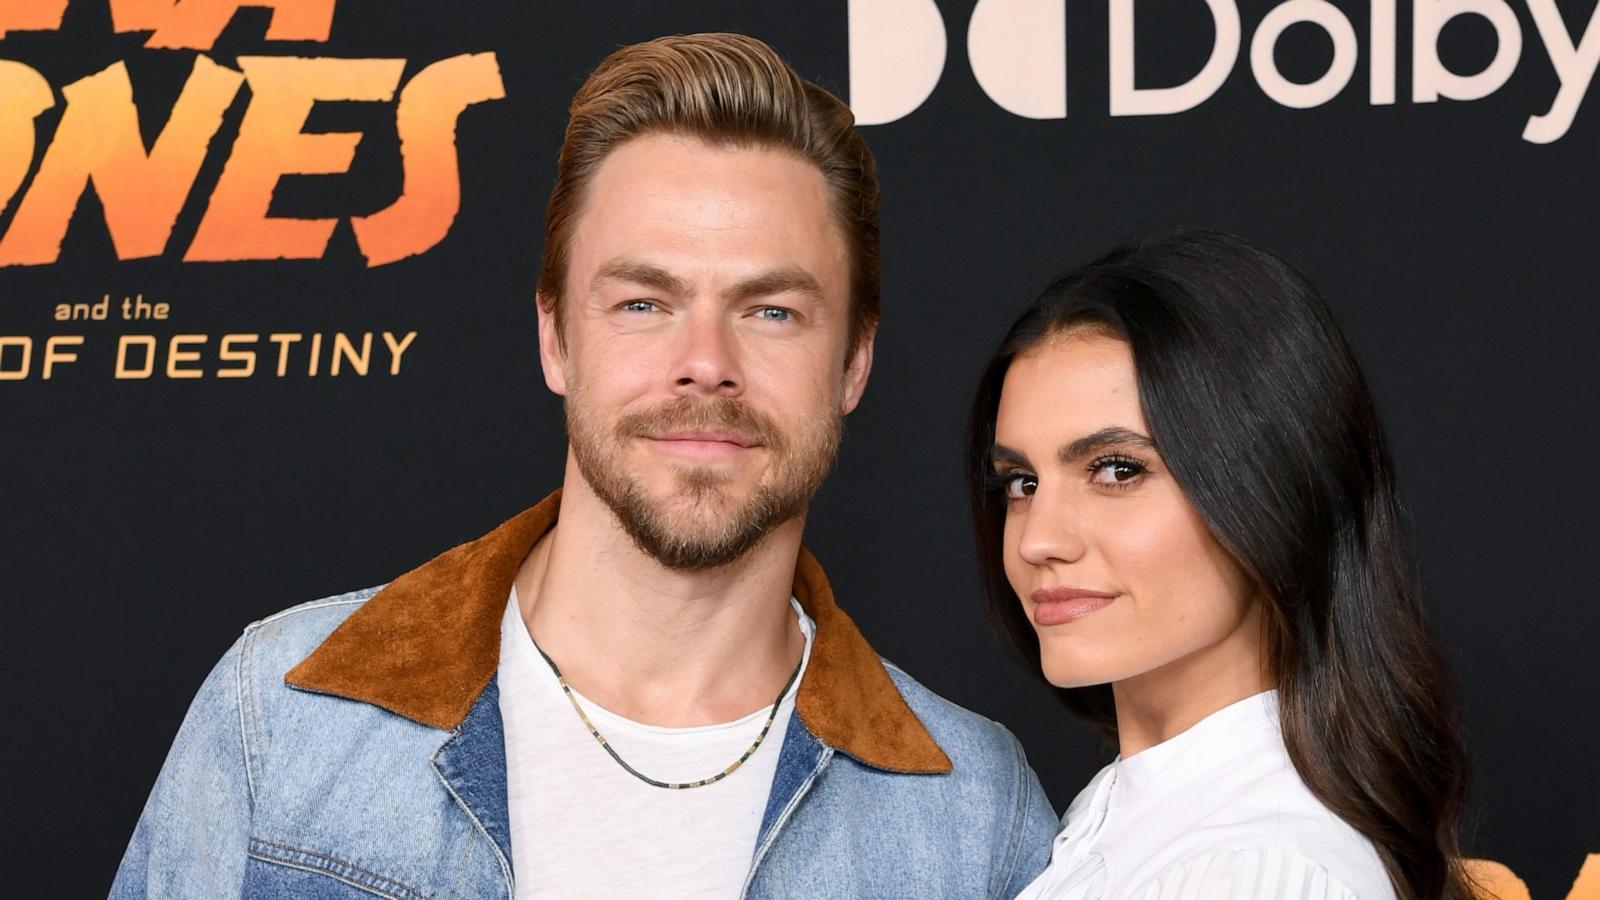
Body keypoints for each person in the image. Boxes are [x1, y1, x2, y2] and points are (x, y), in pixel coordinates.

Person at [111, 32, 1057, 899]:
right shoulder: (280, 718)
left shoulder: (974, 820)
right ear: (555, 338)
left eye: (772, 311)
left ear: (854, 362)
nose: (707, 362)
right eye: (644, 302)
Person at [964, 230, 1473, 900]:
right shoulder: (1136, 815)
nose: (1038, 540)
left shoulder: (1257, 869)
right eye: (1022, 483)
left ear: (1274, 490)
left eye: (1116, 470)